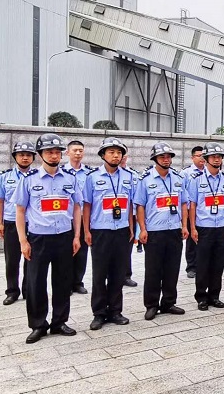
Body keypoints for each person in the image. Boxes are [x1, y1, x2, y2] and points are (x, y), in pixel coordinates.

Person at [13, 133, 82, 344]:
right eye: (49, 152)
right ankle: (38, 325)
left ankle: (59, 322)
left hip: (64, 237)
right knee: (35, 283)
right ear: (40, 155)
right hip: (39, 239)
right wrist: (23, 241)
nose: (54, 155)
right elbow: (20, 211)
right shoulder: (29, 180)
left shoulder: (70, 179)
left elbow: (77, 207)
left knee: (62, 282)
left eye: (57, 152)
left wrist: (76, 235)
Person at [83, 137, 136, 331]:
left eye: (119, 152)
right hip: (101, 232)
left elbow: (130, 205)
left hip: (122, 231)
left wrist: (132, 228)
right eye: (111, 152)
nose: (116, 155)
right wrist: (87, 230)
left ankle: (115, 311)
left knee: (118, 273)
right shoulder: (92, 177)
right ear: (103, 155)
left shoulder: (129, 177)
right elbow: (87, 205)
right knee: (99, 274)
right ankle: (99, 313)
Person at [134, 143, 188, 320]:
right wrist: (142, 229)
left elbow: (184, 204)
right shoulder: (146, 179)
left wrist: (185, 226)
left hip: (174, 230)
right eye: (162, 157)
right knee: (153, 270)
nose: (166, 159)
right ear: (155, 159)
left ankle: (169, 302)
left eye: (169, 156)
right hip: (154, 232)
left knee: (172, 269)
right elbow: (140, 206)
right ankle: (151, 305)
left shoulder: (178, 178)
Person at [186, 143, 224, 310]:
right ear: (205, 159)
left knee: (217, 263)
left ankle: (215, 296)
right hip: (204, 227)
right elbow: (192, 205)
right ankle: (201, 297)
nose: (217, 160)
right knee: (203, 263)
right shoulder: (196, 180)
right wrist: (192, 227)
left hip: (221, 227)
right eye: (213, 157)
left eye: (219, 157)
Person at [0, 141, 35, 305]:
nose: (25, 158)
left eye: (28, 155)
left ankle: (28, 290)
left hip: (32, 223)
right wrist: (0, 223)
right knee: (12, 259)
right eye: (21, 155)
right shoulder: (5, 176)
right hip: (11, 222)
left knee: (31, 258)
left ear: (33, 157)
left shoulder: (37, 176)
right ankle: (12, 291)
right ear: (15, 157)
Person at [62, 140, 93, 295]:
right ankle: (65, 283)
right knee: (66, 250)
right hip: (67, 217)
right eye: (75, 150)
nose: (78, 153)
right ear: (67, 152)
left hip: (83, 216)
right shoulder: (61, 172)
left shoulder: (89, 173)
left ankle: (78, 282)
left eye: (81, 150)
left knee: (82, 250)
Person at [181, 146, 206, 279]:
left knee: (203, 240)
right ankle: (191, 266)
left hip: (205, 211)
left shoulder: (209, 171)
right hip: (191, 210)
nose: (202, 158)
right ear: (192, 158)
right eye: (199, 155)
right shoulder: (186, 173)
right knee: (192, 239)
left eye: (203, 155)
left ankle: (202, 264)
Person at [120, 155, 139, 288]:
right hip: (110, 217)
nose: (119, 157)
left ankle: (126, 275)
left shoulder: (133, 175)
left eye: (122, 154)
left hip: (129, 215)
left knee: (127, 248)